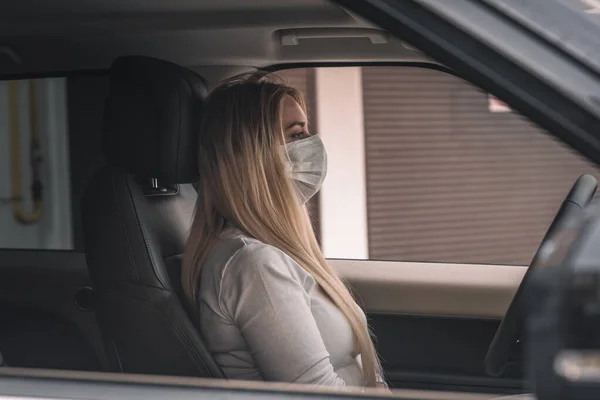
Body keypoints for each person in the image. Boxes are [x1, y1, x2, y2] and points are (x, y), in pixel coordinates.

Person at [182, 73, 386, 389]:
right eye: (296, 135)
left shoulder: (276, 250)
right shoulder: (253, 262)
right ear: (252, 154)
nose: (311, 146)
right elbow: (317, 394)